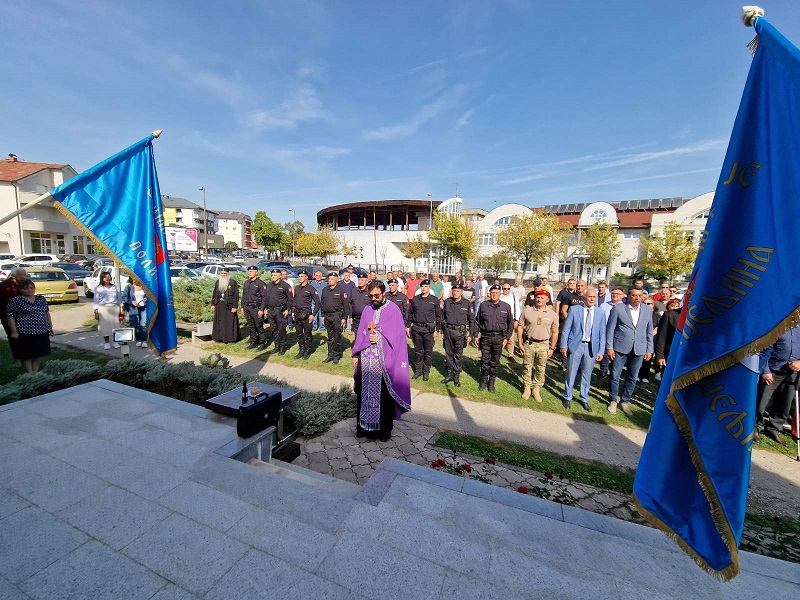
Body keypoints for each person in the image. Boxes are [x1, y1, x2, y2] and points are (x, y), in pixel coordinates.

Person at [352, 280, 411, 441]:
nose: (373, 299)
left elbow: (397, 337)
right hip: (366, 359)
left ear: (383, 293)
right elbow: (361, 334)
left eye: (376, 295)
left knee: (383, 396)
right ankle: (363, 428)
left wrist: (378, 337)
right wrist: (356, 355)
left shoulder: (393, 310)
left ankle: (384, 431)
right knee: (364, 393)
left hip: (384, 361)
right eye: (370, 296)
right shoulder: (367, 309)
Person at [606, 287, 654, 416]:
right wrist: (609, 347)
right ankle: (613, 400)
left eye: (639, 295)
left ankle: (625, 401)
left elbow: (649, 331)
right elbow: (610, 329)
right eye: (634, 295)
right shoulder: (618, 308)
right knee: (615, 375)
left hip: (639, 348)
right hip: (620, 346)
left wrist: (650, 349)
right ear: (628, 296)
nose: (637, 298)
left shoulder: (647, 310)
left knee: (632, 377)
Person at [560, 288, 606, 412]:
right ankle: (567, 396)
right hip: (576, 345)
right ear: (584, 298)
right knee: (571, 372)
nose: (592, 299)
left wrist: (601, 351)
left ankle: (584, 398)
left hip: (591, 347)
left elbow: (602, 333)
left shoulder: (600, 313)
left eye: (594, 297)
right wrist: (564, 345)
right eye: (589, 297)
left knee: (587, 374)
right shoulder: (575, 310)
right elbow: (566, 329)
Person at [755, 324, 800, 446]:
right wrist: (765, 371)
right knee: (761, 402)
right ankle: (755, 427)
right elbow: (764, 349)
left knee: (784, 406)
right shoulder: (778, 326)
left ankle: (773, 429)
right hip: (772, 372)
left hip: (792, 375)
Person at [517, 290, 558, 402]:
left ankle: (536, 388)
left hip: (544, 344)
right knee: (527, 366)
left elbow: (555, 332)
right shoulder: (527, 311)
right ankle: (527, 387)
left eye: (542, 297)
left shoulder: (552, 314)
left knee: (541, 367)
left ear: (547, 300)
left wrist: (552, 348)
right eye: (538, 297)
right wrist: (520, 342)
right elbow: (520, 327)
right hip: (529, 343)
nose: (539, 300)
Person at [5, 278, 53, 373]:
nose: (29, 290)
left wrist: (50, 327)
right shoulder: (16, 301)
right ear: (20, 290)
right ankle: (29, 374)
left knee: (37, 354)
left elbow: (46, 313)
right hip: (24, 333)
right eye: (26, 288)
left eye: (32, 287)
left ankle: (35, 373)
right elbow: (10, 316)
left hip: (41, 331)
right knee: (26, 355)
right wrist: (14, 332)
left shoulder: (41, 299)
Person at [476, 284, 514, 392]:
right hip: (486, 337)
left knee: (495, 361)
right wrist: (475, 335)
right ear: (489, 294)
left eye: (496, 293)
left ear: (500, 294)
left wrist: (506, 338)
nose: (494, 295)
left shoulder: (506, 307)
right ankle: (483, 381)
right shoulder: (483, 305)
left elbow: (510, 324)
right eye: (492, 293)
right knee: (485, 360)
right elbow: (477, 321)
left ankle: (491, 382)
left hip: (499, 338)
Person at [440, 281, 476, 387]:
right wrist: (442, 331)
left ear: (461, 292)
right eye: (454, 291)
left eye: (458, 291)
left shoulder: (467, 303)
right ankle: (449, 374)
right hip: (448, 331)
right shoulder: (447, 302)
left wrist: (470, 335)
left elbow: (472, 320)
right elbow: (443, 318)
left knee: (458, 355)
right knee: (449, 354)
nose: (455, 293)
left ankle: (456, 376)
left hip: (460, 333)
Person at [407, 279, 442, 381]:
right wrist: (408, 326)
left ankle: (426, 372)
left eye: (426, 286)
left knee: (428, 351)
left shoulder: (435, 300)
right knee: (418, 351)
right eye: (422, 286)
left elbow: (439, 316)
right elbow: (410, 314)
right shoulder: (415, 299)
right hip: (417, 328)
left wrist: (437, 329)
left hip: (428, 329)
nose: (424, 288)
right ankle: (418, 371)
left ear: (429, 288)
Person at [320, 272, 349, 364]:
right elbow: (322, 303)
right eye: (329, 279)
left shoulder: (341, 290)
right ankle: (330, 355)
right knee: (330, 337)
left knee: (337, 337)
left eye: (332, 279)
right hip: (327, 316)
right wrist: (322, 315)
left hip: (337, 316)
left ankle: (336, 355)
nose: (330, 280)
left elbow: (346, 306)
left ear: (337, 280)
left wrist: (344, 318)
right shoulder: (325, 290)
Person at [263, 268, 293, 354]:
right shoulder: (269, 286)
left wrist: (288, 309)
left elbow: (290, 299)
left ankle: (283, 346)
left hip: (280, 311)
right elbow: (266, 298)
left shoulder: (285, 286)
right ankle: (277, 345)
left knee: (281, 329)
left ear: (280, 276)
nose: (273, 276)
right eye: (272, 275)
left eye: (275, 275)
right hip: (271, 311)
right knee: (273, 329)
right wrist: (265, 308)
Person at [292, 269, 319, 359]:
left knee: (307, 334)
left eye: (301, 276)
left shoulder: (311, 289)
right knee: (299, 333)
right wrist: (292, 311)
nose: (300, 278)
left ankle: (307, 351)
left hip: (306, 314)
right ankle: (301, 350)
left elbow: (318, 303)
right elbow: (294, 301)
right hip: (297, 313)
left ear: (306, 277)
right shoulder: (297, 288)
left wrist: (313, 315)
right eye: (299, 276)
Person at [93, 271, 124, 350]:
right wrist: (96, 311)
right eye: (105, 277)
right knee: (105, 325)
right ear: (102, 278)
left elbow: (119, 299)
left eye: (109, 277)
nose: (107, 278)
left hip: (114, 307)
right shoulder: (99, 288)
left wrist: (121, 308)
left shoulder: (115, 287)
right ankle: (106, 342)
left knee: (115, 325)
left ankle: (115, 341)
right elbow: (96, 300)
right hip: (104, 308)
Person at [209, 267, 240, 344]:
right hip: (219, 304)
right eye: (222, 273)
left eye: (225, 273)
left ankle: (230, 338)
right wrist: (213, 304)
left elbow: (236, 296)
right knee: (220, 321)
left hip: (229, 305)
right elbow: (215, 294)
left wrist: (235, 306)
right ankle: (219, 337)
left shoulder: (232, 283)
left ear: (228, 274)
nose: (223, 275)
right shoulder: (217, 282)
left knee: (229, 322)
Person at [242, 265, 268, 349]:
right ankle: (253, 341)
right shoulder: (246, 283)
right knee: (251, 326)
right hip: (247, 308)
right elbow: (244, 296)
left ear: (256, 273)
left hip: (256, 308)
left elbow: (264, 297)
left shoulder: (260, 284)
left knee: (259, 326)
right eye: (249, 271)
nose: (249, 273)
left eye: (252, 271)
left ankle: (263, 342)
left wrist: (261, 309)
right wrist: (242, 306)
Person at [654, 298, 681, 377]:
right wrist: (660, 355)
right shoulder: (669, 315)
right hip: (670, 354)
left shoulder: (700, 317)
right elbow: (661, 336)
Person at [123, 278, 149, 347]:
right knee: (136, 325)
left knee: (143, 324)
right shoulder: (128, 287)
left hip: (143, 307)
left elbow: (148, 295)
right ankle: (139, 339)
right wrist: (131, 302)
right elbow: (124, 296)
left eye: (136, 279)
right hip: (134, 308)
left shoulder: (144, 286)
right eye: (133, 279)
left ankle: (144, 340)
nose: (134, 281)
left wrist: (145, 299)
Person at [0, 267, 26, 337]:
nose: (23, 277)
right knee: (13, 336)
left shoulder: (25, 283)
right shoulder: (5, 285)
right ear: (14, 275)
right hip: (7, 314)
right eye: (20, 275)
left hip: (23, 315)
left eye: (24, 274)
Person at [500, 283, 521, 359]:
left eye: (508, 289)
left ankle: (510, 354)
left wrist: (517, 320)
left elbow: (517, 309)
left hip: (510, 319)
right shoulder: (500, 297)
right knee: (500, 337)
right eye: (504, 288)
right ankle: (498, 352)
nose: (506, 290)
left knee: (510, 338)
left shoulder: (514, 298)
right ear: (502, 289)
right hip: (500, 319)